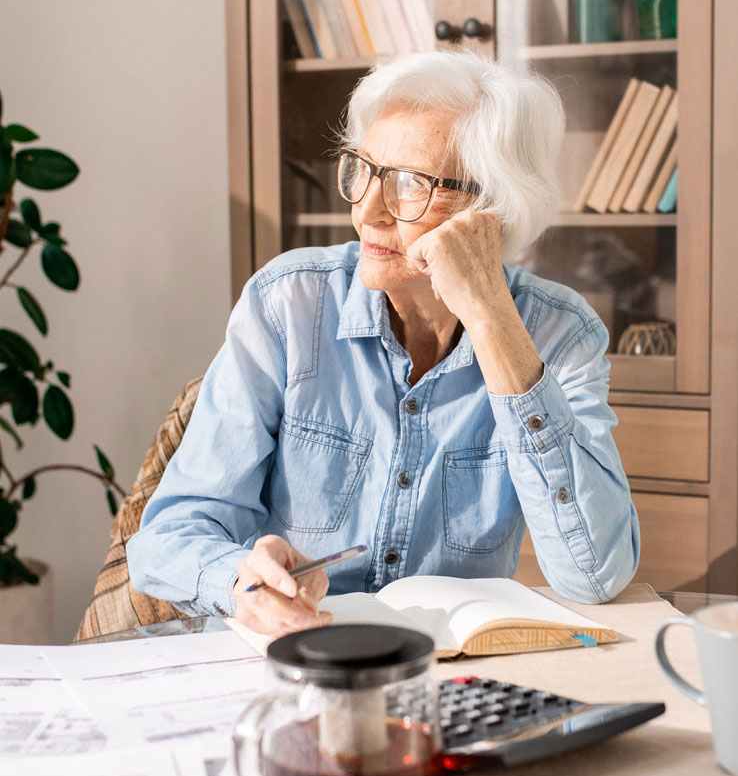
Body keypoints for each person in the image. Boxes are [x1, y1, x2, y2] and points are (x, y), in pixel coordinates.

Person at [128, 50, 639, 638]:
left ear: (489, 211)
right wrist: (239, 578)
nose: (367, 211)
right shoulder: (288, 304)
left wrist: (493, 318)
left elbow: (595, 576)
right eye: (363, 171)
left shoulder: (560, 333)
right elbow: (168, 539)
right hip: (294, 656)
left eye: (409, 185)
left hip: (446, 677)